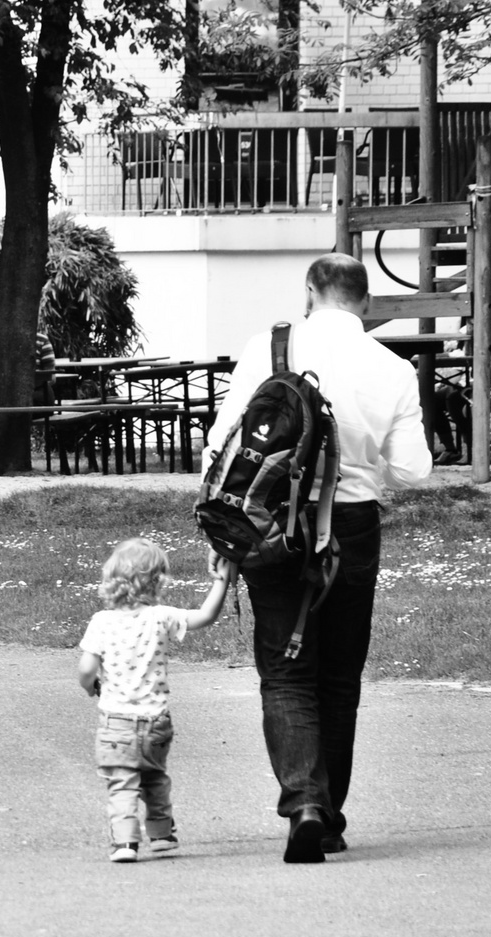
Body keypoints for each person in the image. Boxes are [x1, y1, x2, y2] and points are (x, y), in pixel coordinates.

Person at [203, 253, 432, 864]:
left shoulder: (267, 348)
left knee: (285, 669)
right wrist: (358, 459)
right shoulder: (392, 367)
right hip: (352, 527)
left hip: (272, 524)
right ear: (368, 303)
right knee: (338, 674)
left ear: (310, 292)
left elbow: (223, 445)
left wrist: (223, 538)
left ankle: (303, 801)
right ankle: (327, 820)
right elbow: (414, 470)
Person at [78, 537, 233, 864]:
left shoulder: (101, 622)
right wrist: (221, 580)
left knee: (121, 783)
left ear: (112, 578)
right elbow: (205, 616)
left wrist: (91, 685)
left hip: (115, 723)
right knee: (155, 777)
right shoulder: (162, 616)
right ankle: (161, 836)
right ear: (157, 580)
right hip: (157, 721)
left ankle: (125, 843)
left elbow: (87, 669)